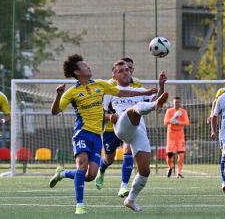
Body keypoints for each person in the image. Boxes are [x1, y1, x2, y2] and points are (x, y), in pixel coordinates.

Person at [49, 55, 158, 215]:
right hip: (81, 133)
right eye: (85, 65)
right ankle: (80, 205)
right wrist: (58, 95)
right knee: (82, 165)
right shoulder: (72, 92)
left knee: (90, 175)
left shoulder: (100, 85)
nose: (89, 67)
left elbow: (121, 92)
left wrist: (147, 91)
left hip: (96, 135)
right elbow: (55, 111)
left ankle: (63, 173)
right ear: (77, 72)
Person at [103, 60, 168, 212]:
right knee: (136, 108)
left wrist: (161, 86)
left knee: (145, 170)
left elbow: (156, 99)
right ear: (114, 75)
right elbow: (101, 112)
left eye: (127, 70)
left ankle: (130, 199)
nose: (126, 72)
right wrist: (109, 117)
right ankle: (152, 107)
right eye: (121, 71)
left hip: (139, 131)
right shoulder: (110, 91)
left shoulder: (139, 90)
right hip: (122, 127)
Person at [95, 57, 142, 198]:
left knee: (128, 149)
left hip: (128, 126)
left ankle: (124, 186)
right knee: (109, 159)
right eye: (124, 69)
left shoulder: (138, 84)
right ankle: (101, 170)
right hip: (111, 128)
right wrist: (109, 117)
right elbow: (98, 110)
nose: (128, 72)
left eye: (130, 69)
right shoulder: (109, 86)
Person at [163, 97, 189, 178]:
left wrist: (179, 122)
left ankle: (179, 172)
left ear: (180, 103)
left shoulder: (183, 111)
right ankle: (170, 167)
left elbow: (187, 122)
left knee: (181, 154)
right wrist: (172, 119)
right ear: (173, 103)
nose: (177, 104)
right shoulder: (169, 111)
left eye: (178, 102)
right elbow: (165, 122)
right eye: (175, 102)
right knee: (170, 155)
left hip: (180, 136)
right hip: (171, 135)